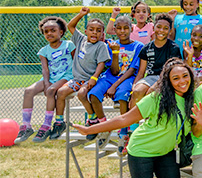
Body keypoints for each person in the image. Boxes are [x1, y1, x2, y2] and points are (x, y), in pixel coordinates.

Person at [80, 15, 143, 148]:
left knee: (122, 97)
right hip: (111, 76)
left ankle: (124, 133)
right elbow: (114, 71)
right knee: (93, 94)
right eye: (119, 28)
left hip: (127, 77)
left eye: (126, 28)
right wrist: (115, 53)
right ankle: (104, 125)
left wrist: (115, 86)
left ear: (131, 28)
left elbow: (131, 70)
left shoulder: (138, 46)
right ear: (114, 30)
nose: (122, 31)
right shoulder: (110, 45)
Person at [49, 8, 111, 140]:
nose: (94, 32)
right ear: (86, 31)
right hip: (77, 78)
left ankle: (92, 120)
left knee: (82, 94)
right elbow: (70, 26)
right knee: (60, 93)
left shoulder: (101, 46)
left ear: (102, 34)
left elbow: (101, 64)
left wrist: (94, 78)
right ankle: (59, 122)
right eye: (92, 29)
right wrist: (82, 14)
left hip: (91, 79)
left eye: (98, 31)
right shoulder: (80, 39)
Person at [16, 17, 74, 143]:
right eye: (46, 31)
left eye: (53, 30)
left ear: (61, 32)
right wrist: (46, 82)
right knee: (28, 91)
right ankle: (26, 126)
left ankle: (47, 125)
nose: (49, 34)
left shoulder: (69, 45)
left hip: (66, 76)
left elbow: (77, 62)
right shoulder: (44, 51)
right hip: (51, 77)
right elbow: (45, 69)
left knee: (51, 90)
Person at [131, 14, 183, 108]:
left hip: (166, 78)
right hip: (150, 78)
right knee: (137, 92)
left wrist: (156, 84)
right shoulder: (146, 48)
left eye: (165, 28)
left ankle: (150, 121)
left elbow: (173, 71)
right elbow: (141, 72)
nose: (161, 31)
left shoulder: (173, 48)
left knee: (151, 93)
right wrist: (135, 84)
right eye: (158, 27)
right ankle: (133, 123)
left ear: (170, 30)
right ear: (154, 28)